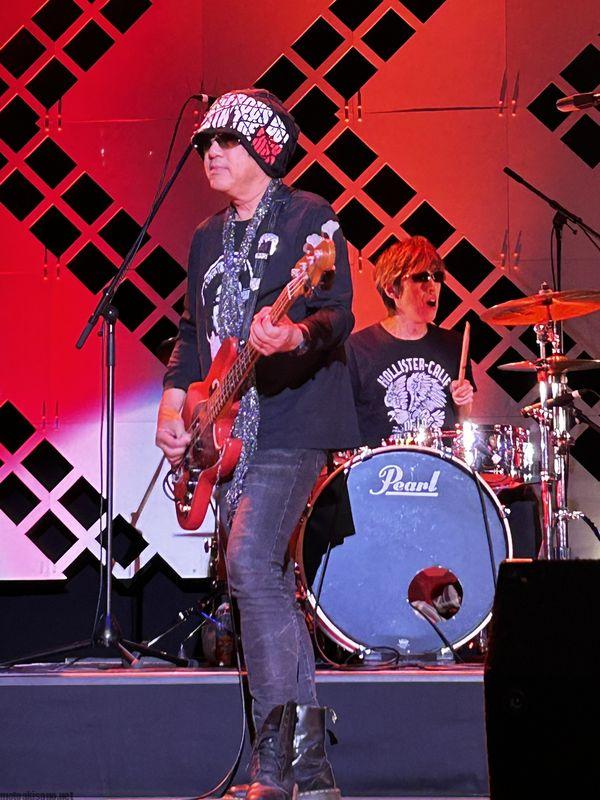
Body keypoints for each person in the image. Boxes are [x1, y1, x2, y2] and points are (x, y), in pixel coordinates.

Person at [155, 88, 359, 800]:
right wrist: (173, 406)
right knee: (263, 581)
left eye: (225, 142)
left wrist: (294, 334)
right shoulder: (204, 238)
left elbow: (337, 312)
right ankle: (306, 768)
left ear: (264, 149)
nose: (210, 153)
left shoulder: (309, 218)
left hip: (293, 418)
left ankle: (275, 766)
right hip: (226, 433)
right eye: (203, 144)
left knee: (248, 564)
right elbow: (193, 334)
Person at [346, 236, 474, 446]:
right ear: (391, 289)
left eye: (437, 276)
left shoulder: (454, 344)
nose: (432, 286)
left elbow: (461, 420)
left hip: (439, 463)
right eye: (421, 277)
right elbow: (343, 422)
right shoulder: (357, 348)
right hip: (385, 465)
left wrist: (463, 401)